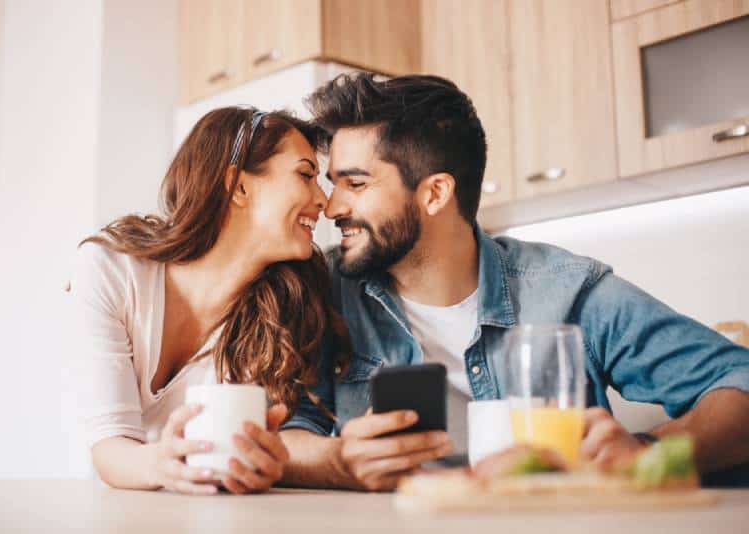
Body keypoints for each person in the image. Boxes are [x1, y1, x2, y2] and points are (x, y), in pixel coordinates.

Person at [279, 73, 749, 491]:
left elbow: (738, 383)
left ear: (435, 193)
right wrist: (337, 461)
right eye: (333, 182)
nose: (332, 205)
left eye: (355, 184)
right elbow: (287, 429)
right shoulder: (327, 289)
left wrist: (648, 454)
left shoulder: (567, 291)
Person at [71, 107, 349, 495]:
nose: (323, 200)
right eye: (305, 175)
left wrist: (259, 462)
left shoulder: (284, 306)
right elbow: (109, 448)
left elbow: (242, 454)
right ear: (237, 186)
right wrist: (163, 464)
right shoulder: (112, 271)